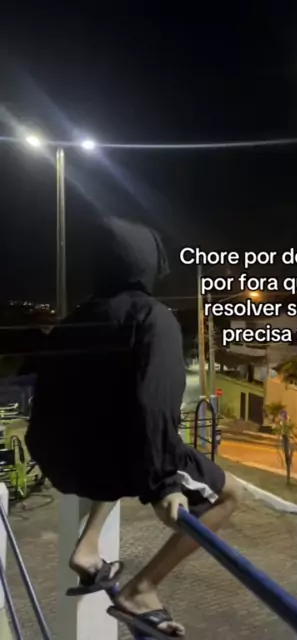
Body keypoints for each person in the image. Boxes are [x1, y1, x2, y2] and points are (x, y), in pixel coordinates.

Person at [25, 216, 244, 638]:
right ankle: (142, 590)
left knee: (118, 437)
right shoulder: (152, 317)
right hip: (107, 461)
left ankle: (88, 548)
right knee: (232, 494)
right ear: (146, 264)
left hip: (60, 461)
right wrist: (165, 484)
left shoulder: (74, 320)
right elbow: (154, 402)